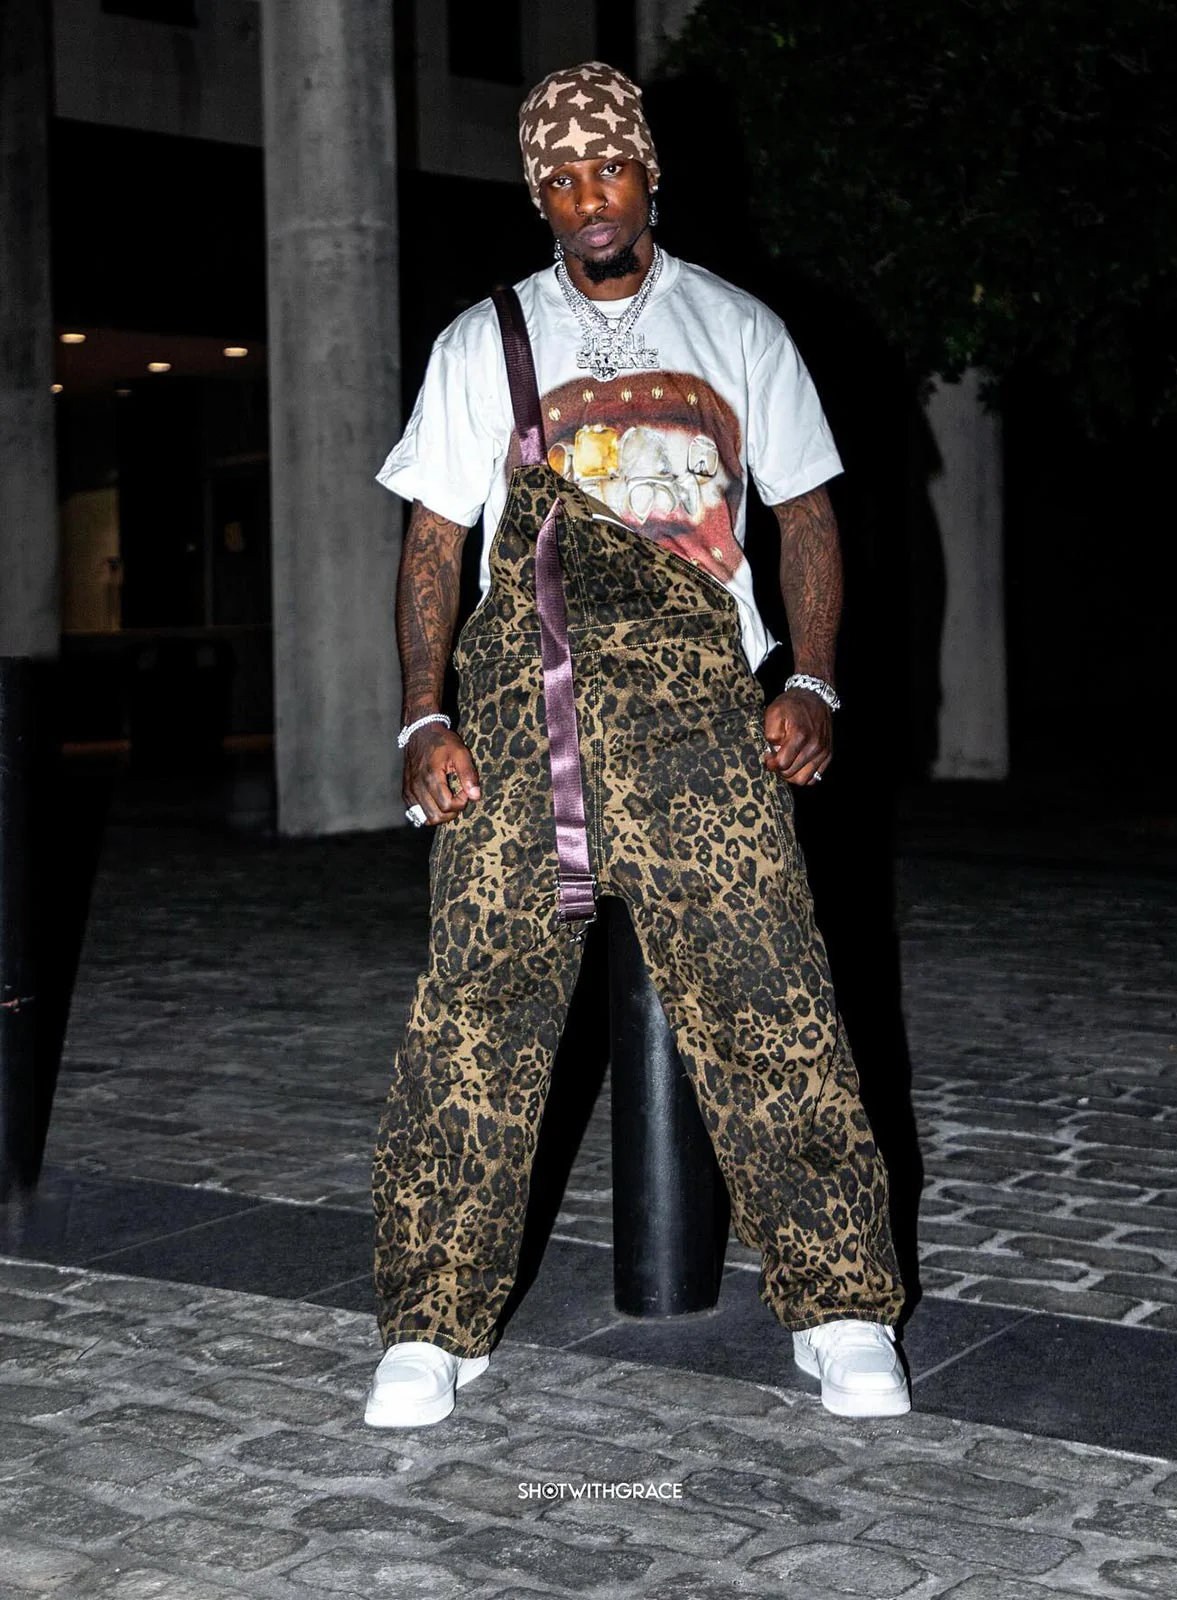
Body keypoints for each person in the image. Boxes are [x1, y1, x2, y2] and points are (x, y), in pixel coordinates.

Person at [367, 60, 909, 1429]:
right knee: (475, 1015)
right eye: (558, 179)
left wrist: (815, 680)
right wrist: (424, 713)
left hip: (700, 718)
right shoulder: (482, 341)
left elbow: (809, 515)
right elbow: (434, 544)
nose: (586, 198)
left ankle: (841, 1307)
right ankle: (430, 1325)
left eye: (606, 168)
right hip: (520, 716)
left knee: (771, 995)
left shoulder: (737, 326)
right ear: (536, 196)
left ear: (648, 173)